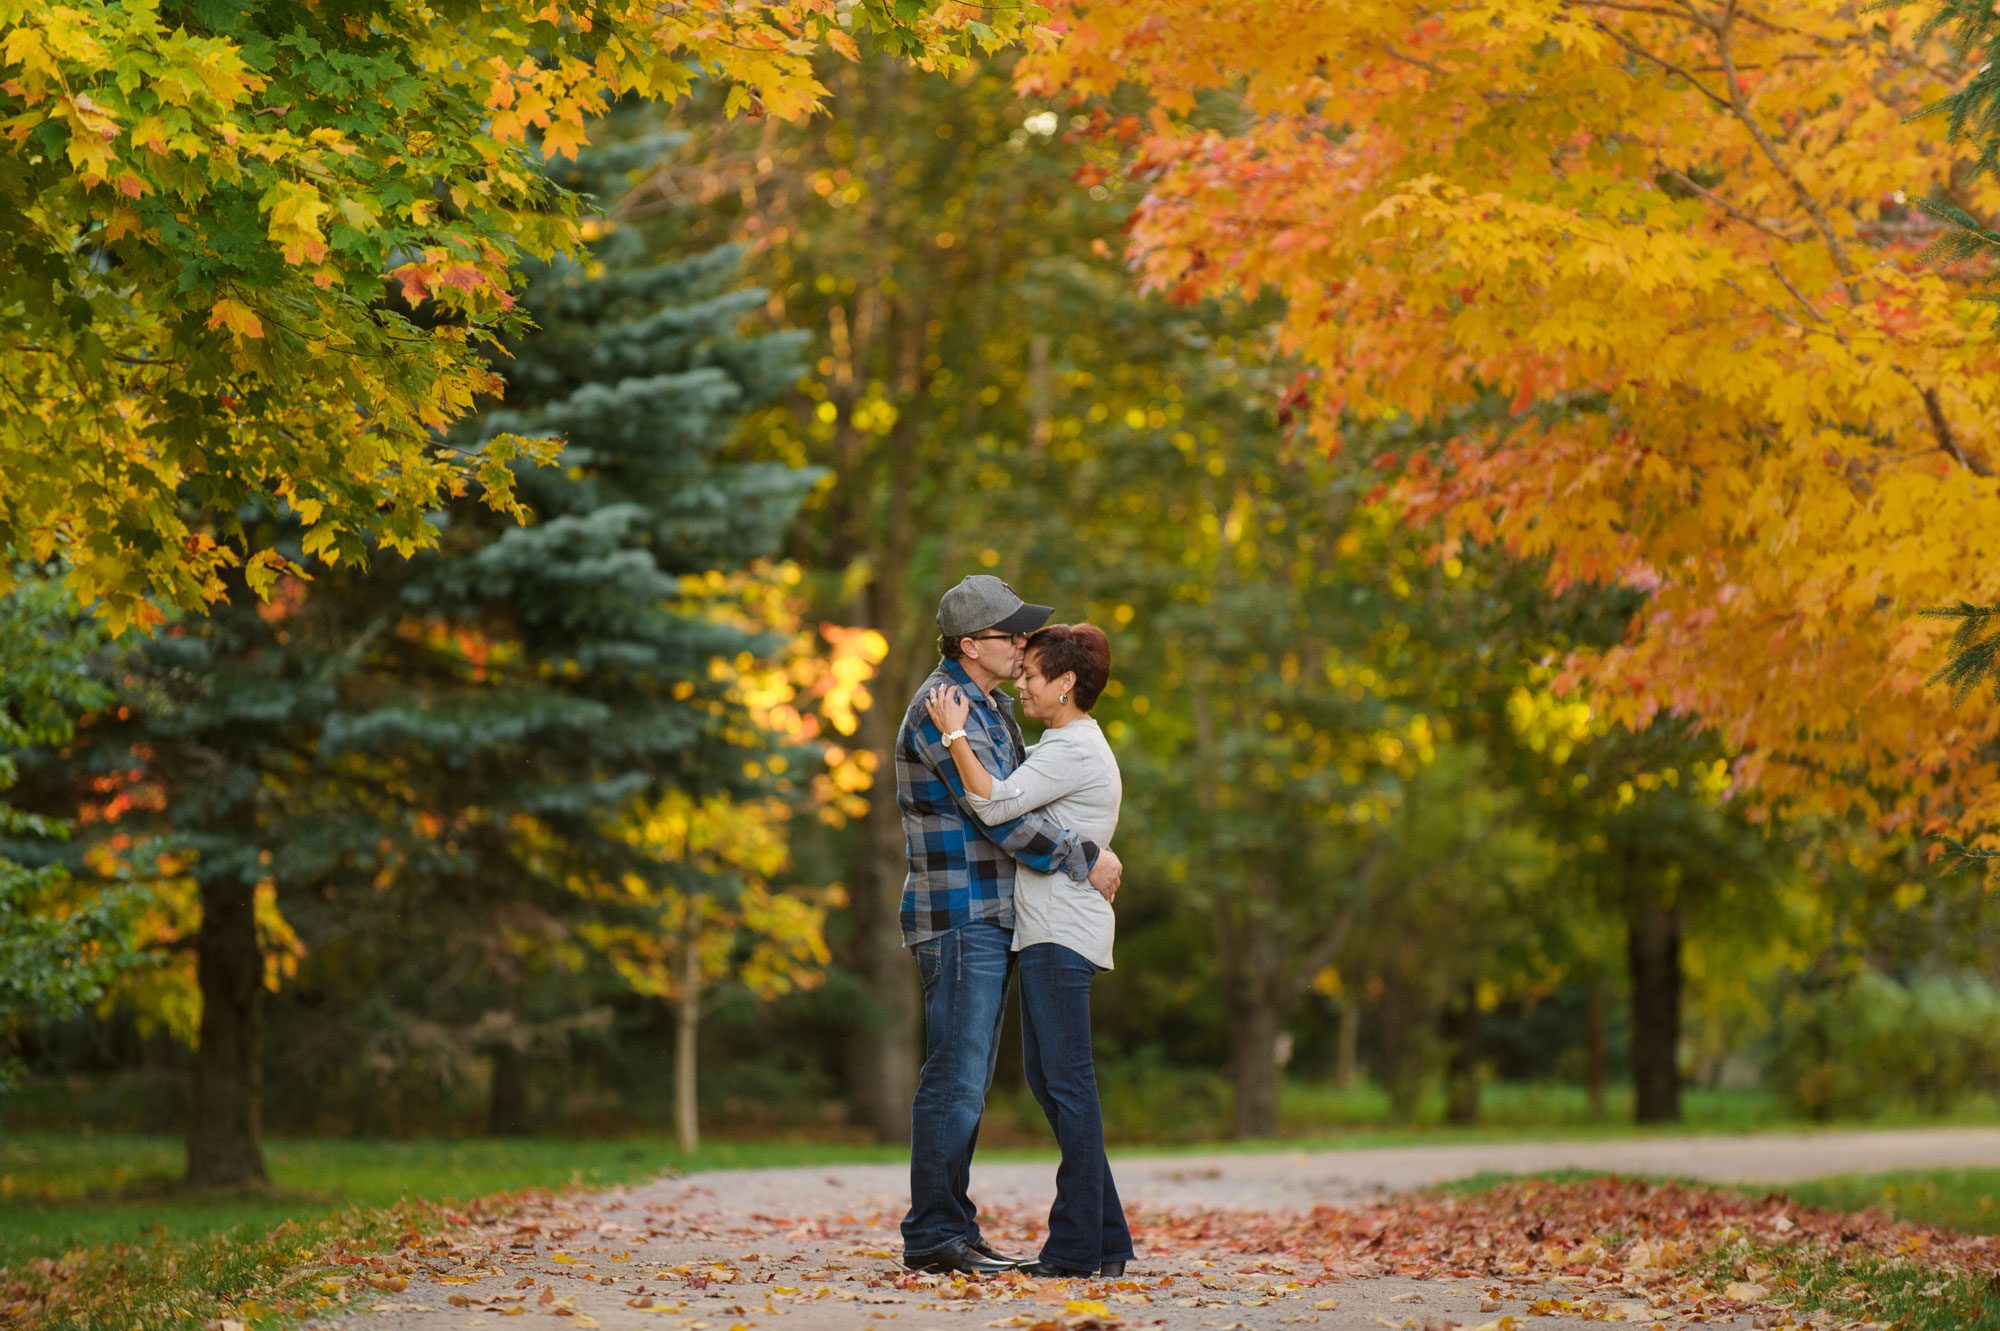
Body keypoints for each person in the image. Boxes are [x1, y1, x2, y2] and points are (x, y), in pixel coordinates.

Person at [896, 576, 1124, 1278]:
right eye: (1011, 635)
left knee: (974, 1077)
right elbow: (999, 814)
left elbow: (1030, 796)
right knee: (957, 1077)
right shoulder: (945, 708)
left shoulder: (993, 707)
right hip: (961, 910)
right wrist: (1084, 856)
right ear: (972, 644)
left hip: (998, 914)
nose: (1022, 644)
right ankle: (935, 1231)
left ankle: (955, 1226)